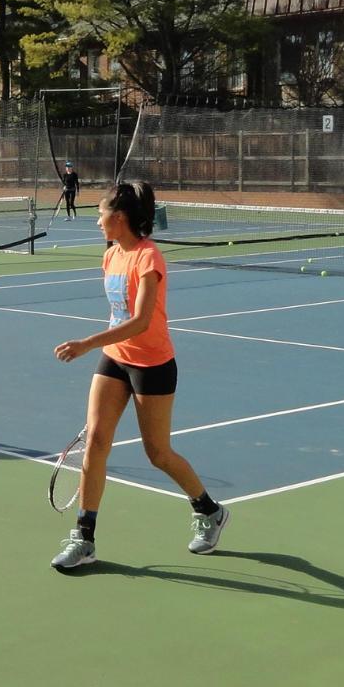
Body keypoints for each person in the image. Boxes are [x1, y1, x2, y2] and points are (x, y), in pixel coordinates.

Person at [48, 180, 226, 571]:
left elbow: (142, 321)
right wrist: (101, 346)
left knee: (158, 453)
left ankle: (209, 510)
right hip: (115, 359)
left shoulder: (149, 258)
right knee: (96, 442)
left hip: (153, 364)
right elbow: (118, 315)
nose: (97, 221)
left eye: (101, 214)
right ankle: (84, 538)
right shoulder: (111, 255)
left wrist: (87, 343)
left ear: (121, 217)